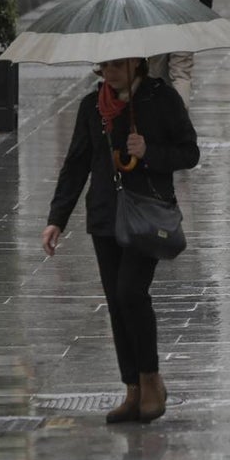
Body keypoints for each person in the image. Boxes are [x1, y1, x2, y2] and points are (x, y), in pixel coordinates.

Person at [41, 58, 199, 424]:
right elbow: (76, 164)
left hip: (145, 215)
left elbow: (190, 153)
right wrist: (56, 220)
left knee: (131, 293)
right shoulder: (92, 106)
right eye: (104, 67)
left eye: (116, 67)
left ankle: (151, 379)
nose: (108, 74)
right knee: (116, 302)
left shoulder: (163, 100)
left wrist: (149, 153)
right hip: (104, 217)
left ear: (136, 65)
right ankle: (131, 389)